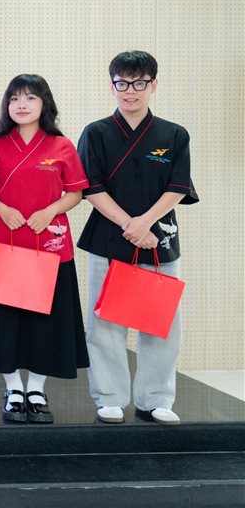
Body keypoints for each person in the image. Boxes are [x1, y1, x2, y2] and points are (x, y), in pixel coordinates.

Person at [77, 50, 198, 426]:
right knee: (105, 323)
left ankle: (156, 398)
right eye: (122, 83)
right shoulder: (95, 133)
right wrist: (130, 225)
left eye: (139, 83)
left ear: (153, 85)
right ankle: (110, 397)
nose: (130, 90)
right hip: (109, 238)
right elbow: (91, 188)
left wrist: (145, 224)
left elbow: (178, 187)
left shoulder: (174, 134)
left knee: (161, 322)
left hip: (159, 239)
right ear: (111, 85)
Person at [0, 75, 90, 424]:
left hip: (49, 246)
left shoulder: (61, 145)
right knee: (6, 323)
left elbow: (75, 192)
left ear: (45, 103)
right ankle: (13, 388)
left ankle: (37, 389)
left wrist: (50, 210)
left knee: (45, 323)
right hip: (5, 244)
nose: (22, 105)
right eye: (14, 98)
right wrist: (1, 209)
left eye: (30, 98)